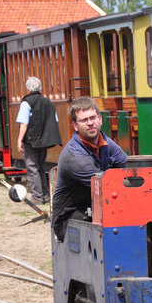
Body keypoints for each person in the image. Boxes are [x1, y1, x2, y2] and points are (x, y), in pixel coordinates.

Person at [51, 96, 127, 242]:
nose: (90, 123)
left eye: (92, 118)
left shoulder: (105, 142)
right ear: (75, 125)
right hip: (70, 216)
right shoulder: (73, 156)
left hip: (95, 206)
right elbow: (105, 187)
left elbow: (126, 166)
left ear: (100, 119)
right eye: (84, 120)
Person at [16, 77, 62, 204]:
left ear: (28, 88)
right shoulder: (48, 102)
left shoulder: (26, 102)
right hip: (44, 140)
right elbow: (55, 120)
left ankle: (37, 197)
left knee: (32, 167)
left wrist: (19, 140)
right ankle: (46, 195)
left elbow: (24, 124)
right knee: (41, 167)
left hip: (31, 140)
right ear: (40, 88)